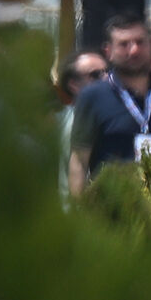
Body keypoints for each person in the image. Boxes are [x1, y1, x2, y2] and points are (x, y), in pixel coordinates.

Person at [68, 13, 151, 196]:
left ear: (150, 46)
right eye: (124, 44)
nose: (134, 50)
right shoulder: (92, 96)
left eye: (140, 42)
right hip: (111, 208)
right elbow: (79, 160)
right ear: (108, 51)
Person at [55, 50, 109, 199]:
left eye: (108, 72)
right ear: (74, 85)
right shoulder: (78, 121)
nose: (106, 78)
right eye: (95, 75)